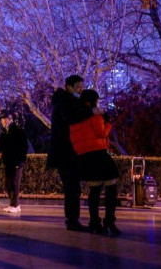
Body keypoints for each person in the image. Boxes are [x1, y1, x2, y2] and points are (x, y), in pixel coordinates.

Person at [46, 75, 94, 231]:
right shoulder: (64, 102)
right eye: (78, 86)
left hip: (69, 153)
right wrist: (90, 111)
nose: (81, 89)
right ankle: (72, 220)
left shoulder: (68, 101)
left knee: (73, 188)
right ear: (69, 86)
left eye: (82, 86)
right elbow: (72, 119)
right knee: (72, 188)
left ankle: (73, 219)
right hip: (66, 153)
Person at [71, 90, 121, 236]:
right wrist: (107, 121)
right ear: (94, 100)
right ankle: (109, 221)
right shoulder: (94, 114)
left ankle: (94, 222)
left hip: (85, 157)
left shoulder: (76, 116)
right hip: (99, 155)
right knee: (111, 188)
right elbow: (102, 133)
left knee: (94, 191)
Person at [0, 110, 28, 213]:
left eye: (4, 119)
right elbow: (0, 146)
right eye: (1, 120)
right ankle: (15, 204)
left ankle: (14, 205)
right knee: (7, 184)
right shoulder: (3, 132)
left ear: (10, 119)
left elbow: (24, 147)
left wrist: (21, 161)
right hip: (8, 162)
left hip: (17, 162)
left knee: (15, 184)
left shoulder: (18, 131)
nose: (3, 121)